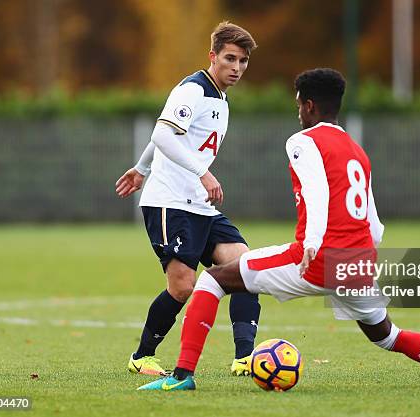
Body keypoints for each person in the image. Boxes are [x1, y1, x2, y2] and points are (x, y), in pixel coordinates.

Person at [137, 68, 420, 391]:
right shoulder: (355, 149)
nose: (298, 111)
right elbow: (374, 224)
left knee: (213, 280)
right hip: (358, 263)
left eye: (299, 104)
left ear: (310, 105)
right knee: (388, 336)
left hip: (317, 257)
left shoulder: (301, 141)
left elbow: (316, 193)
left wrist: (312, 242)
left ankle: (182, 375)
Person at [115, 21, 261, 377]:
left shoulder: (220, 99)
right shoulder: (193, 89)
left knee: (245, 269)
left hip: (198, 203)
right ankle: (142, 356)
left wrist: (140, 167)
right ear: (212, 56)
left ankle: (246, 358)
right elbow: (163, 134)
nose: (237, 68)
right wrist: (201, 171)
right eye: (230, 58)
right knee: (182, 288)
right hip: (169, 202)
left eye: (243, 61)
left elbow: (167, 136)